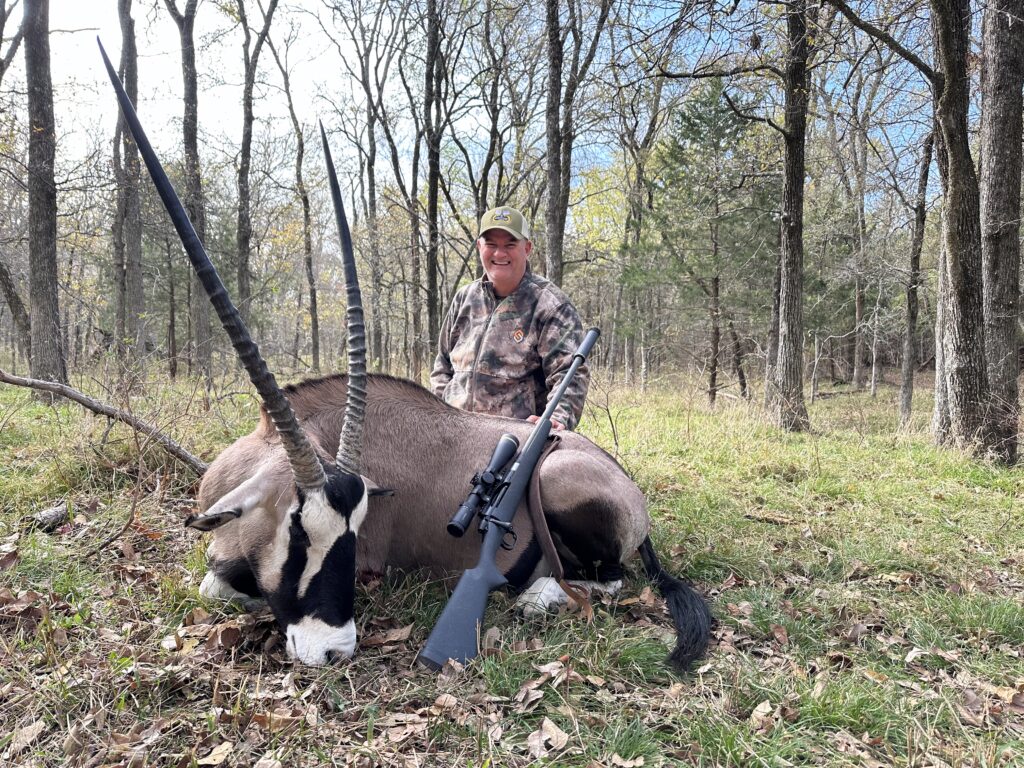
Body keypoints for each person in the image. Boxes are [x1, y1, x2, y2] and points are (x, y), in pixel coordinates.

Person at [430, 206, 590, 431]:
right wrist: (437, 412)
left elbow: (570, 376)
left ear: (527, 248)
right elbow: (443, 365)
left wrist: (557, 418)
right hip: (453, 436)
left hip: (513, 442)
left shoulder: (550, 306)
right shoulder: (464, 299)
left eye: (510, 245)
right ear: (479, 247)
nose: (499, 254)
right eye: (491, 244)